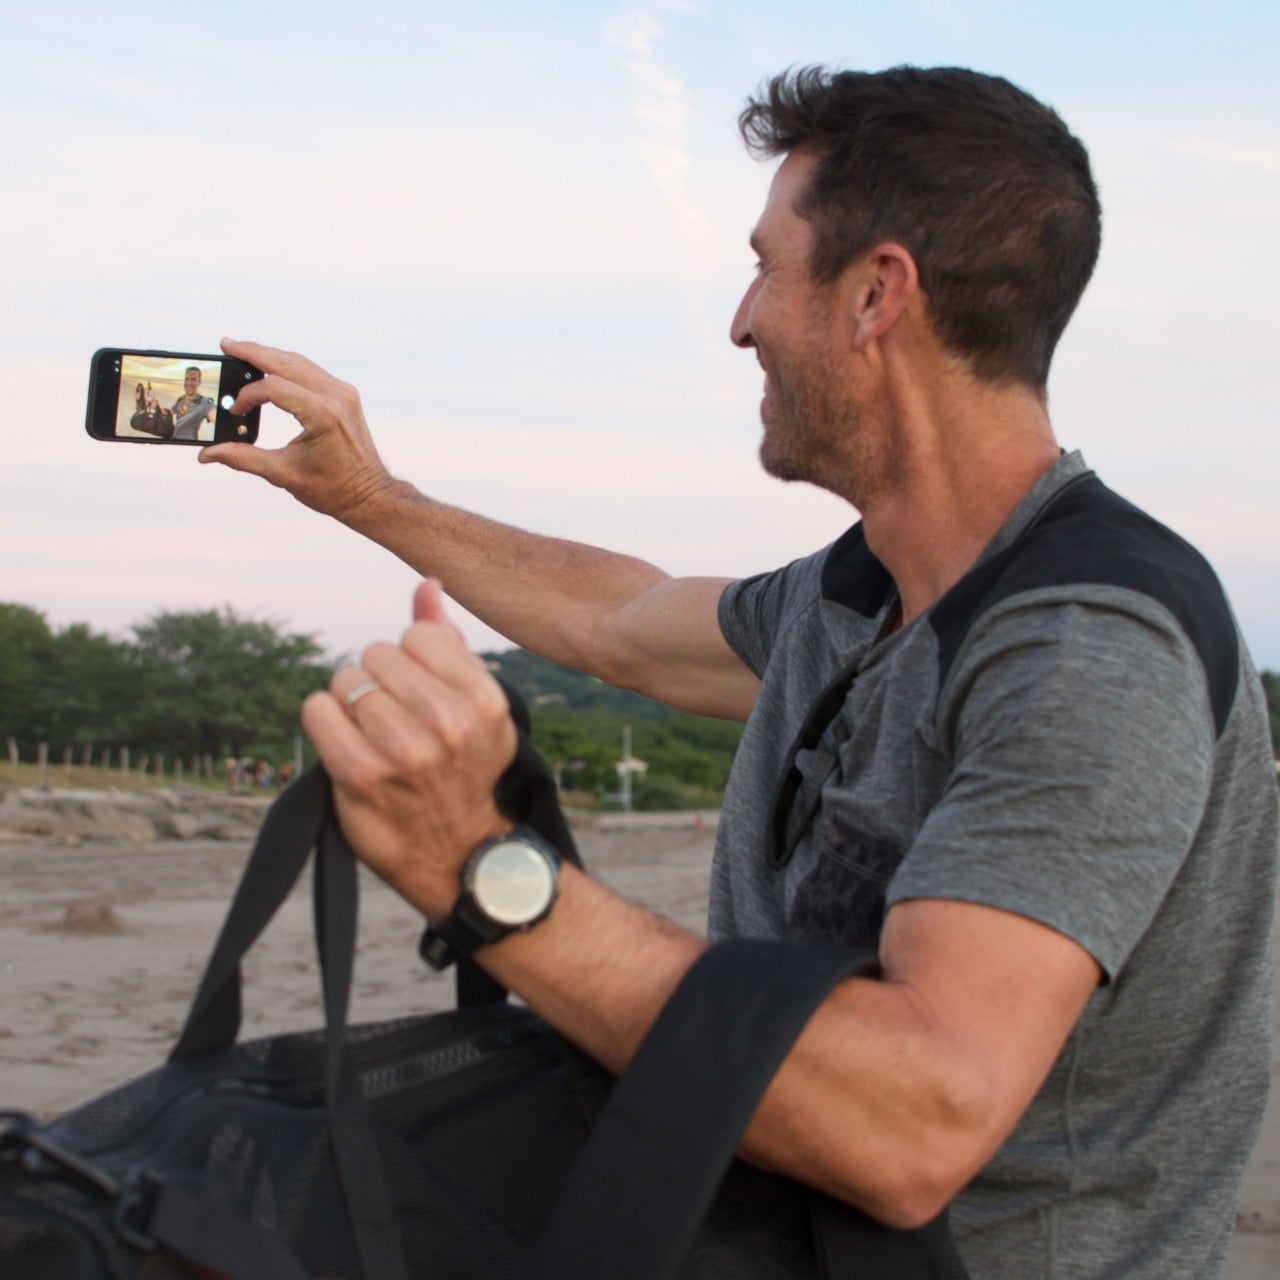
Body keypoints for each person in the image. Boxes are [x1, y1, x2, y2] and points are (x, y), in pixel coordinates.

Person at [200, 66, 1279, 1279]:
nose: (739, 319)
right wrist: (367, 495)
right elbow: (616, 619)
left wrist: (483, 871)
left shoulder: (1086, 640)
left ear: (875, 292)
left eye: (764, 264)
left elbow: (915, 1115)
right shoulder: (860, 587)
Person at [171, 366, 216, 441]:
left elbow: (214, 415)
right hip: (173, 440)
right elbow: (169, 413)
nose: (189, 383)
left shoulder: (204, 402)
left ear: (199, 382)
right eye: (187, 379)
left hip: (189, 445)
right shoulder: (181, 399)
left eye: (193, 379)